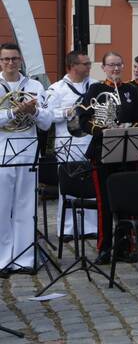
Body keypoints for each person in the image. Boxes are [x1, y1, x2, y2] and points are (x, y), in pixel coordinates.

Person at [76, 52, 138, 264]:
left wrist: (130, 128)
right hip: (101, 151)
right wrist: (101, 129)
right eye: (111, 65)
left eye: (119, 65)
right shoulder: (95, 89)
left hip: (128, 152)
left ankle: (126, 246)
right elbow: (83, 120)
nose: (115, 69)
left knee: (128, 201)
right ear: (103, 68)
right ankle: (104, 248)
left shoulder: (131, 89)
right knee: (104, 201)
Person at [0, 44, 51, 275]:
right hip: (2, 152)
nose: (11, 63)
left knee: (26, 206)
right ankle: (3, 259)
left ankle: (24, 259)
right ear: (0, 62)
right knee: (2, 208)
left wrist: (35, 112)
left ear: (21, 61)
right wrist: (13, 113)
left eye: (14, 59)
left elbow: (47, 122)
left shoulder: (34, 86)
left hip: (29, 151)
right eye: (6, 59)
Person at [43, 50, 95, 238]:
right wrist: (67, 112)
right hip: (68, 142)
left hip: (90, 141)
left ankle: (91, 228)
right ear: (73, 66)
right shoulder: (57, 89)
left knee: (91, 185)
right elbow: (46, 116)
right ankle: (67, 228)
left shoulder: (95, 85)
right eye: (86, 64)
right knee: (68, 186)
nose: (89, 66)